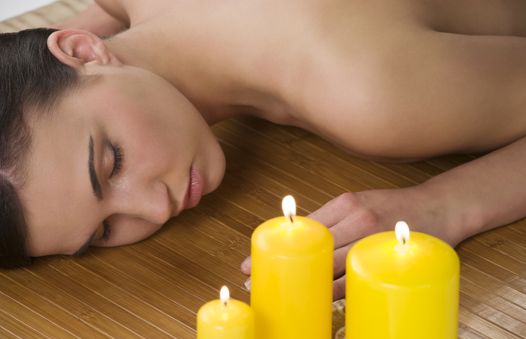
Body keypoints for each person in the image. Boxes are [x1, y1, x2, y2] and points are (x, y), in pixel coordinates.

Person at [1, 0, 525, 298]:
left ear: (81, 47)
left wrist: (445, 205)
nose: (155, 206)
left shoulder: (370, 94)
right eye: (103, 231)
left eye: (111, 163)